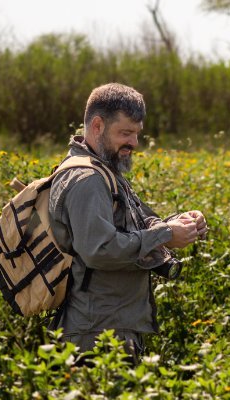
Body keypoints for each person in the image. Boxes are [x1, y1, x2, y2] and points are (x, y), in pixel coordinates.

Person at [48, 82, 207, 364]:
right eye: (125, 133)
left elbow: (137, 224)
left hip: (112, 325)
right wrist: (166, 235)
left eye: (136, 133)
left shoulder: (104, 169)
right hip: (97, 334)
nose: (134, 143)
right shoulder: (88, 180)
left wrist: (179, 224)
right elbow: (100, 249)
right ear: (97, 125)